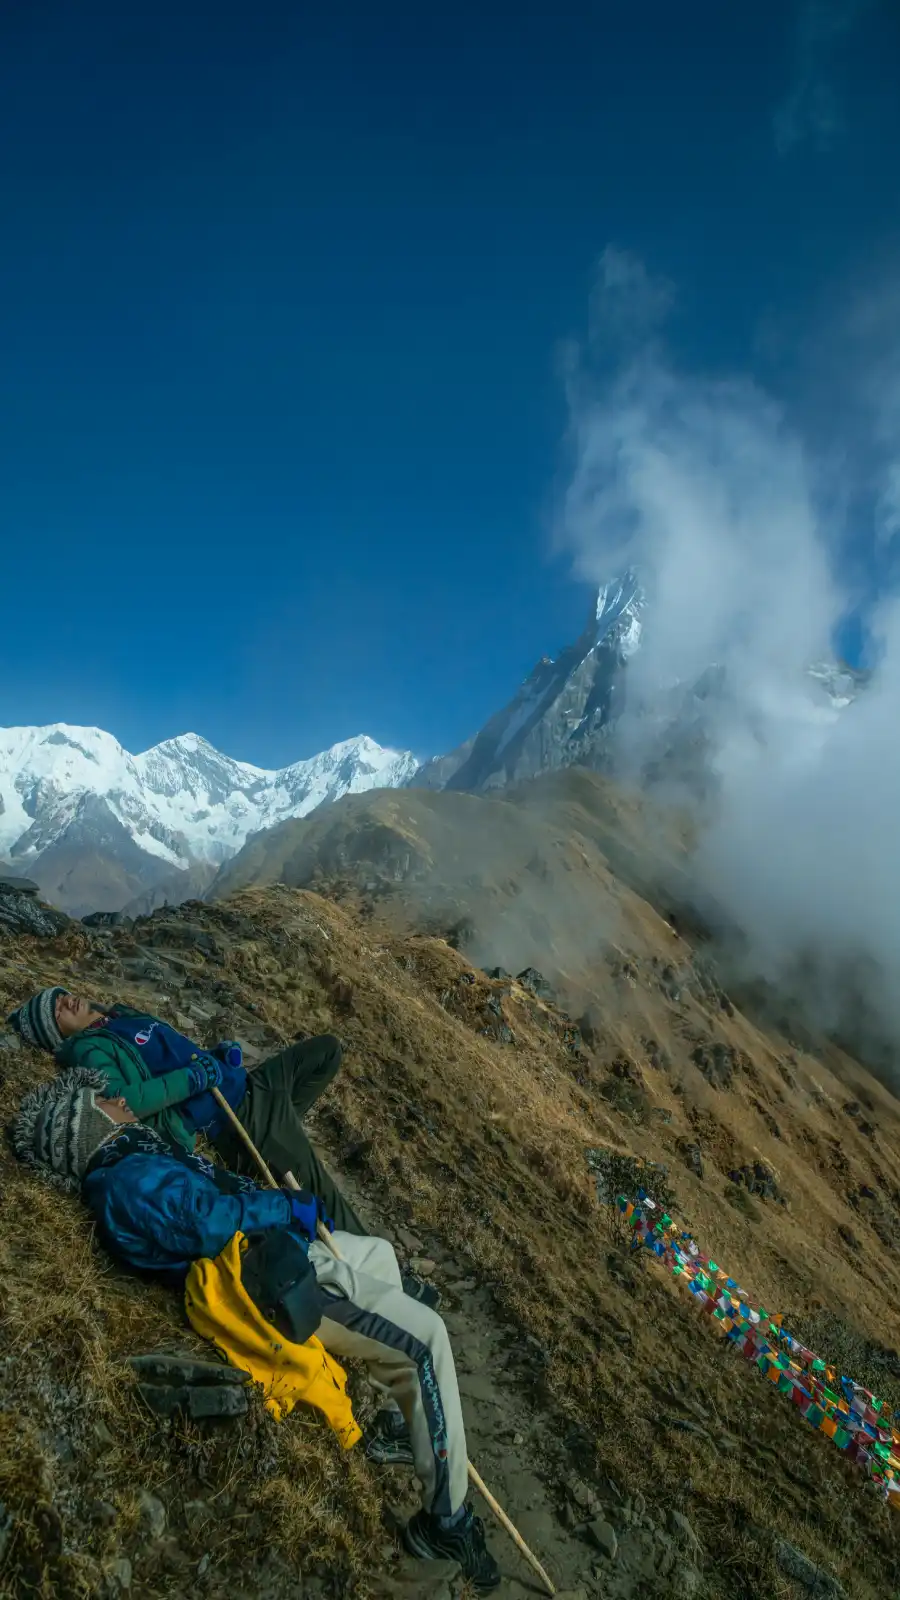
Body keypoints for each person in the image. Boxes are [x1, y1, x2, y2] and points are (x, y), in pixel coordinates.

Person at [12, 1072, 500, 1591]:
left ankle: (409, 1419)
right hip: (269, 1282)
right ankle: (444, 1524)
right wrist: (283, 1206)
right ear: (90, 1125)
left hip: (274, 1252)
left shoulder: (135, 1159)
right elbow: (208, 1223)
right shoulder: (126, 1179)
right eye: (102, 1102)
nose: (116, 1100)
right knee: (428, 1340)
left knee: (378, 1253)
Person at [7, 985, 366, 1238]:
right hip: (233, 1115)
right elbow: (124, 1100)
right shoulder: (88, 1050)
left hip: (246, 1086)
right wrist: (194, 1078)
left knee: (327, 1051)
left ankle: (276, 1141)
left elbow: (168, 1057)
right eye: (56, 1013)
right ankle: (389, 1270)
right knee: (322, 1189)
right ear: (58, 1035)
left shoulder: (117, 1017)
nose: (66, 1002)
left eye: (59, 996)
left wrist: (214, 1056)